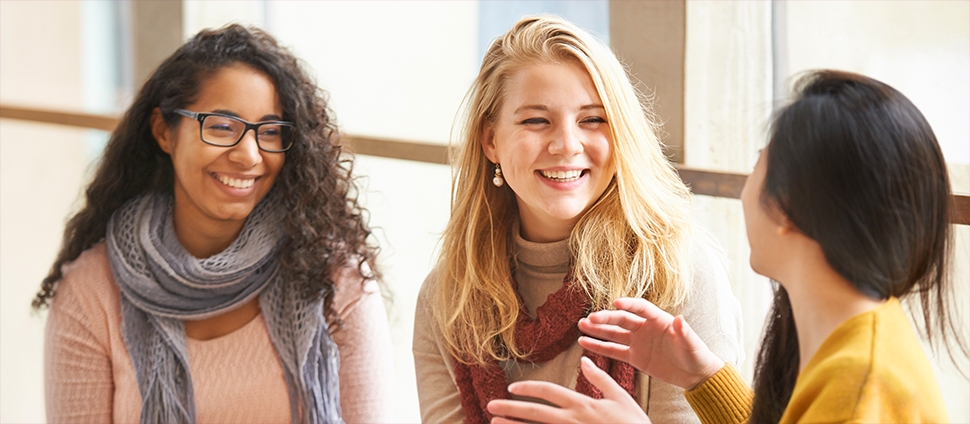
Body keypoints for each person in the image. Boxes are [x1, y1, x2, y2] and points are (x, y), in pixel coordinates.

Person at [490, 70, 967, 423]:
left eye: (759, 165)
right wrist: (706, 379)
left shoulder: (860, 384)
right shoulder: (859, 341)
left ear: (787, 208)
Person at [35, 24, 392, 424]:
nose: (249, 155)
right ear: (163, 132)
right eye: (222, 127)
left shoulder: (337, 280)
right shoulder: (91, 292)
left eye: (270, 132)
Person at [412, 15, 744, 423]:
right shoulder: (446, 299)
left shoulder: (677, 272)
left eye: (592, 120)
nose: (567, 145)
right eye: (536, 120)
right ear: (491, 140)